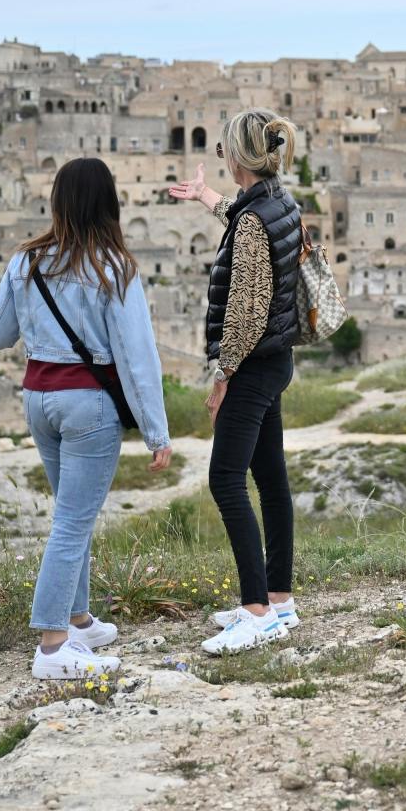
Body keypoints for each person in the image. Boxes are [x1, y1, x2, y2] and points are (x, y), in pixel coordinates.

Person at [0, 157, 172, 680]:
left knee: (71, 512)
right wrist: (156, 431)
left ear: (58, 201)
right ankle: (52, 644)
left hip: (38, 399)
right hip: (88, 405)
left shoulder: (25, 262)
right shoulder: (114, 269)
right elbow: (137, 356)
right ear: (108, 202)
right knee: (72, 521)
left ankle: (79, 619)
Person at [166, 109, 305, 654]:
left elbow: (245, 310)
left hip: (251, 364)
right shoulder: (279, 202)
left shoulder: (252, 221)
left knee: (226, 479)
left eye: (223, 152)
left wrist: (223, 374)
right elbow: (247, 223)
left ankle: (257, 611)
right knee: (270, 479)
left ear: (237, 157)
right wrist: (206, 200)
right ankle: (280, 599)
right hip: (278, 358)